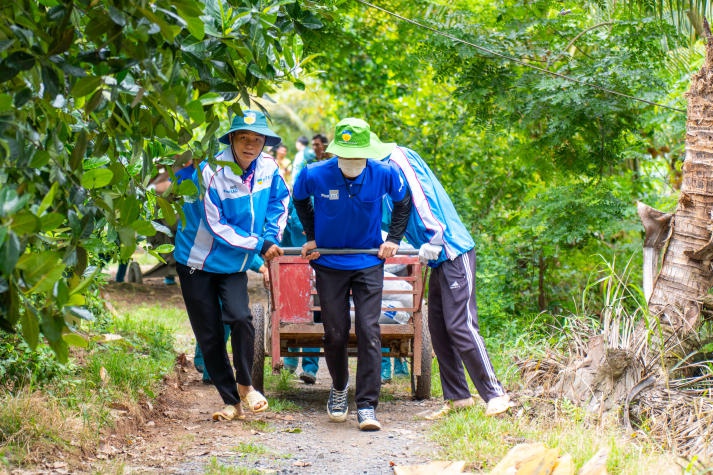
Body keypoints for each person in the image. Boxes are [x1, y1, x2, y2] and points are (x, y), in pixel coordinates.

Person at [374, 131, 511, 419]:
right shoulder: (376, 173)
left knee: (461, 325)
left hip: (451, 249)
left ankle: (495, 394)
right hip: (434, 258)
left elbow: (424, 198)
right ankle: (458, 397)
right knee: (438, 327)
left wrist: (435, 239)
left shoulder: (399, 158)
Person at [293, 118, 412, 431]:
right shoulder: (315, 173)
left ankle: (368, 405)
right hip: (330, 262)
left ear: (368, 152)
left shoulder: (385, 173)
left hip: (368, 261)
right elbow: (299, 199)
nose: (352, 161)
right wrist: (310, 234)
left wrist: (393, 240)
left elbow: (404, 203)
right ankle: (339, 388)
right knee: (334, 331)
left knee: (369, 329)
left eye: (358, 154)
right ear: (337, 152)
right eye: (346, 155)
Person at [174, 109, 289, 421]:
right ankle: (230, 402)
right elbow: (216, 225)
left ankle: (246, 385)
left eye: (256, 139)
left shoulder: (269, 167)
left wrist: (269, 236)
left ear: (264, 142)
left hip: (233, 262)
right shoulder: (212, 170)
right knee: (209, 334)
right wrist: (259, 244)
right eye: (243, 137)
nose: (250, 144)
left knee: (240, 318)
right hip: (196, 261)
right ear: (232, 140)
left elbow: (280, 202)